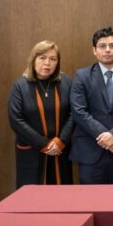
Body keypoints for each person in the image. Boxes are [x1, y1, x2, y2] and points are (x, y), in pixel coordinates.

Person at [69, 27, 113, 184]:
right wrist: (105, 137)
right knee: (90, 198)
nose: (107, 50)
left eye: (112, 46)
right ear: (94, 50)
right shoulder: (82, 76)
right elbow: (79, 111)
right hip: (90, 151)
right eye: (102, 46)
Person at [8, 40, 75, 187]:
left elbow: (74, 114)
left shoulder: (66, 82)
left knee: (62, 195)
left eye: (53, 59)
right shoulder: (20, 85)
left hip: (60, 150)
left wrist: (60, 141)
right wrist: (45, 144)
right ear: (33, 59)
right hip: (31, 150)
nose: (47, 63)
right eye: (42, 58)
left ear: (57, 62)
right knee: (32, 196)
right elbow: (16, 120)